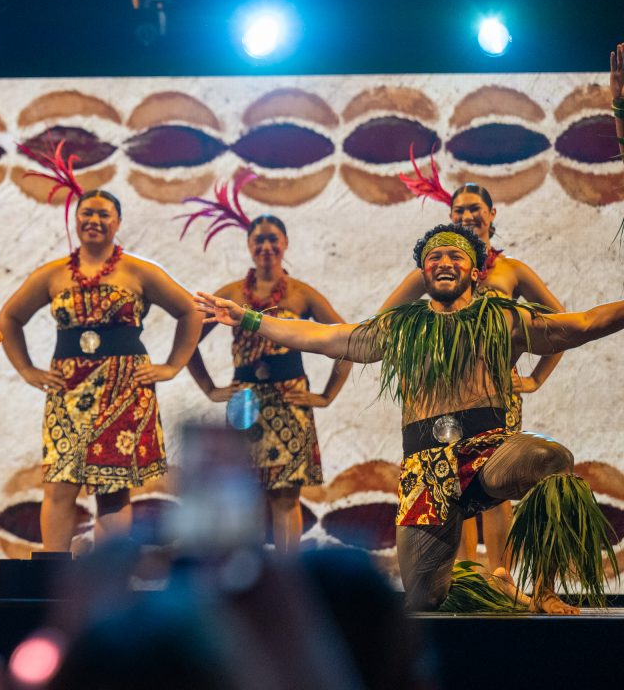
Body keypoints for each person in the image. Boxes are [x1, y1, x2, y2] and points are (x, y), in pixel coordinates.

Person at [194, 223, 624, 613]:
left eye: (456, 256)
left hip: (489, 455)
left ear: (475, 273)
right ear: (423, 274)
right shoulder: (402, 328)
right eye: (434, 257)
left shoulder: (504, 319)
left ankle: (546, 591)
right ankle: (494, 582)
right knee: (425, 598)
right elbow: (327, 338)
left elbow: (584, 323)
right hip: (425, 470)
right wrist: (249, 317)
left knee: (552, 458)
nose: (444, 262)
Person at [0, 191, 202, 552]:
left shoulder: (139, 271)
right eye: (87, 213)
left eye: (104, 214)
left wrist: (172, 366)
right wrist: (27, 370)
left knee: (113, 488)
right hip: (68, 390)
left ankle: (108, 580)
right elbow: (10, 318)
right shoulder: (53, 274)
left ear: (118, 222)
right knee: (61, 484)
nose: (94, 220)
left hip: (125, 388)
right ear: (75, 220)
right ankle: (55, 579)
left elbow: (191, 312)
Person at [379, 179, 563, 570]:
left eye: (474, 208)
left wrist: (535, 379)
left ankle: (500, 576)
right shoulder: (430, 271)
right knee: (450, 481)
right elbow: (381, 323)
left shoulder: (512, 271)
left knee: (496, 487)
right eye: (458, 210)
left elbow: (558, 325)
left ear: (492, 214)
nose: (466, 215)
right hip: (441, 396)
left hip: (495, 393)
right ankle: (464, 575)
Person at [185, 215, 352, 552]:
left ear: (285, 243)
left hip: (290, 403)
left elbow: (347, 341)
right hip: (244, 401)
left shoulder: (301, 294)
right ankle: (245, 577)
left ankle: (286, 579)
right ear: (248, 246)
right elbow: (187, 337)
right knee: (242, 492)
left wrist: (325, 396)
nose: (266, 246)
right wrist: (210, 389)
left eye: (273, 239)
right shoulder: (232, 294)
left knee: (285, 496)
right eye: (258, 240)